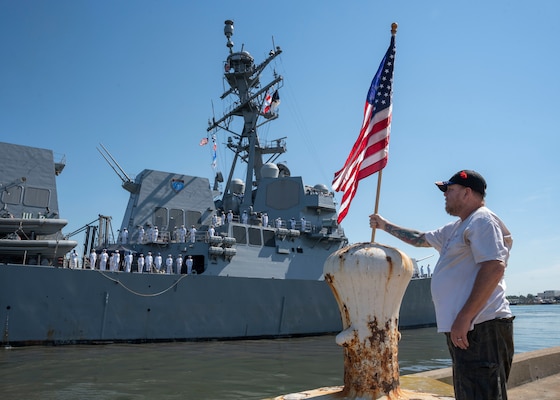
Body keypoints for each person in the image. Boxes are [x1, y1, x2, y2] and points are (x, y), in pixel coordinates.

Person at [369, 170, 514, 400]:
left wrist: (464, 317)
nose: (444, 194)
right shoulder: (457, 227)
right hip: (468, 328)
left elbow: (494, 267)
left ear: (467, 193)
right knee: (469, 392)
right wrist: (385, 225)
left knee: (483, 393)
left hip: (482, 326)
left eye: (449, 189)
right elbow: (420, 238)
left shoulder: (482, 220)